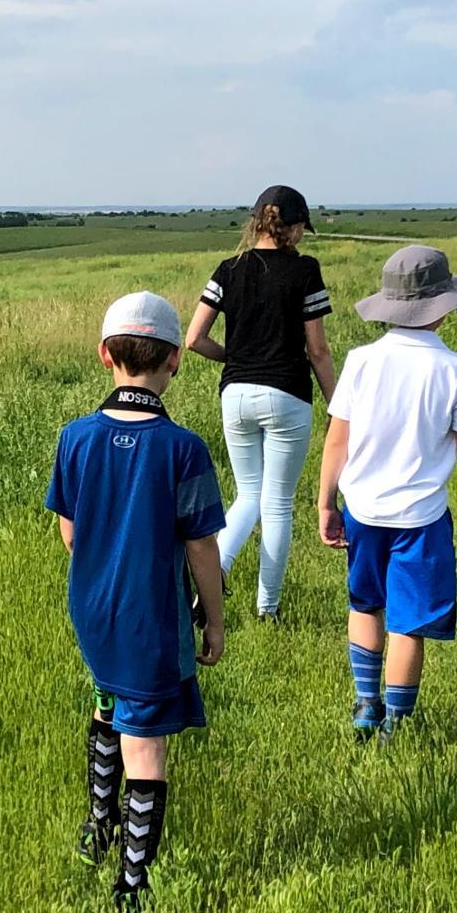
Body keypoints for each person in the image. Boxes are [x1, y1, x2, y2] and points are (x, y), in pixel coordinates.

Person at [45, 291, 227, 913]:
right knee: (145, 740)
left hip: (93, 614)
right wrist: (217, 621)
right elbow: (202, 548)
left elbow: (70, 534)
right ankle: (133, 885)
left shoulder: (75, 438)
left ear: (105, 356)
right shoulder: (184, 449)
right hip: (153, 619)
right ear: (175, 360)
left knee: (106, 701)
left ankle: (97, 830)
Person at [315, 246, 457, 738]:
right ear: (442, 307)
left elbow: (337, 438)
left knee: (365, 604)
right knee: (409, 622)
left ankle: (366, 704)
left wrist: (326, 502)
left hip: (363, 509)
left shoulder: (361, 361)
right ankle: (397, 724)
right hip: (421, 516)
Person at [185, 186, 338, 623]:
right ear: (291, 229)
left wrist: (235, 358)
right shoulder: (305, 270)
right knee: (277, 503)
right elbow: (319, 351)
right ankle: (267, 608)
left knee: (248, 493)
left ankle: (211, 579)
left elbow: (194, 338)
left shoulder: (228, 269)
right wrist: (336, 406)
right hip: (288, 394)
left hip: (235, 394)